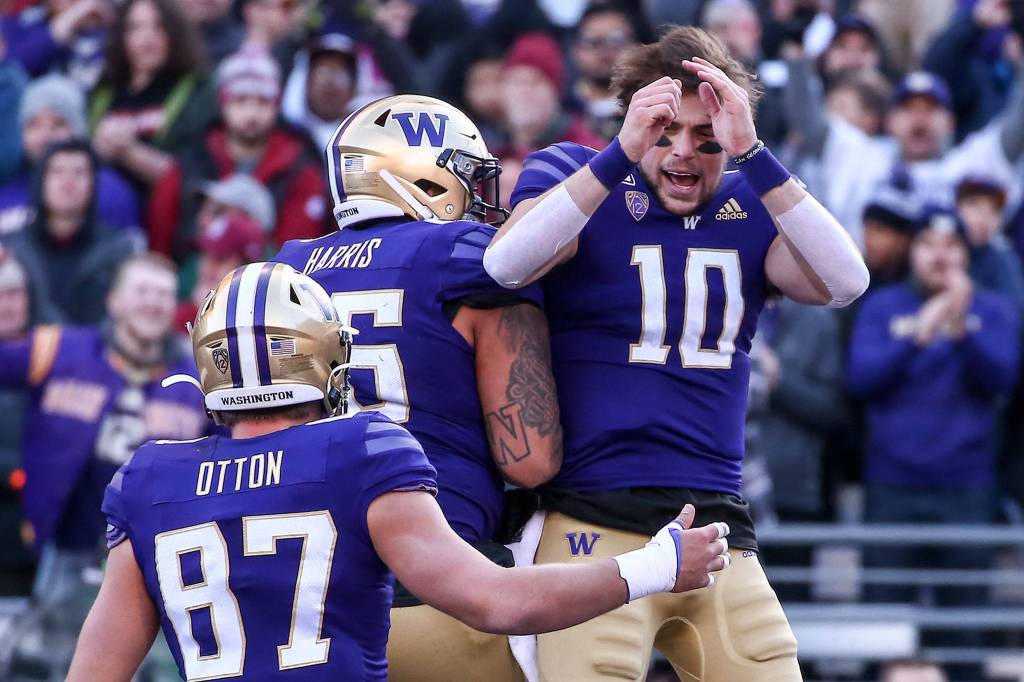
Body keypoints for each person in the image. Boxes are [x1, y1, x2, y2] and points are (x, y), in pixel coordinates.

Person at [65, 261, 732, 682]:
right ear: (322, 358)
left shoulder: (150, 480)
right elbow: (499, 601)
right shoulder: (359, 453)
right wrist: (654, 567)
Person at [483, 25, 870, 681]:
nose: (682, 152)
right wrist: (620, 154)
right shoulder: (579, 174)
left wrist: (755, 154)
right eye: (665, 131)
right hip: (593, 523)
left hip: (717, 530)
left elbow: (846, 281)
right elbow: (507, 264)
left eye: (706, 138)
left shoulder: (753, 199)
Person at [275, 93, 562, 681]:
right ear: (422, 177)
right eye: (466, 176)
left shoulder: (288, 270)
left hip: (300, 602)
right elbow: (530, 458)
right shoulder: (464, 257)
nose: (482, 196)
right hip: (437, 582)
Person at [0, 253, 210, 676]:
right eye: (143, 292)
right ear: (114, 301)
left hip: (156, 565)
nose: (153, 304)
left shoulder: (197, 381)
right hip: (64, 553)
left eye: (163, 295)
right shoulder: (59, 349)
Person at [847, 217, 1018, 609]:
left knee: (964, 626)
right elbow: (860, 380)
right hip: (892, 485)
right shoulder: (881, 305)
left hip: (968, 487)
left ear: (966, 254)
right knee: (883, 619)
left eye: (951, 244)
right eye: (928, 243)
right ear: (912, 252)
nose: (939, 254)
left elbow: (1002, 380)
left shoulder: (993, 309)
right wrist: (919, 334)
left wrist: (958, 326)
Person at [148, 48, 326, 265]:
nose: (252, 113)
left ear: (277, 105)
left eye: (263, 101)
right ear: (223, 103)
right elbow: (159, 248)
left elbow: (297, 257)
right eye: (240, 100)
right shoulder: (188, 163)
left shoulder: (300, 168)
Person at [3, 139, 138, 325]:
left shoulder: (118, 250)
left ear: (94, 184)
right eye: (57, 172)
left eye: (79, 173)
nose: (68, 182)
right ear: (40, 181)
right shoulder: (10, 249)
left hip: (97, 350)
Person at [89, 0, 216, 190]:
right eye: (135, 28)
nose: (146, 39)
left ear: (175, 33)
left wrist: (129, 152)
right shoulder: (101, 94)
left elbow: (194, 177)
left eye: (158, 27)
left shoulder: (198, 90)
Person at [0, 74, 140, 236]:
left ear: (79, 130)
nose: (44, 136)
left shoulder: (107, 191)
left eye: (58, 124)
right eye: (33, 125)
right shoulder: (8, 191)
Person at [571, 2, 642, 141]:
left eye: (616, 40)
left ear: (636, 47)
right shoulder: (561, 111)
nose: (604, 51)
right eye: (591, 42)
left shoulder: (650, 106)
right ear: (576, 51)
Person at [281, 32, 360, 151]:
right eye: (322, 72)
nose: (330, 83)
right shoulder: (286, 139)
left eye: (340, 75)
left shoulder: (364, 140)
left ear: (353, 87)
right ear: (306, 81)